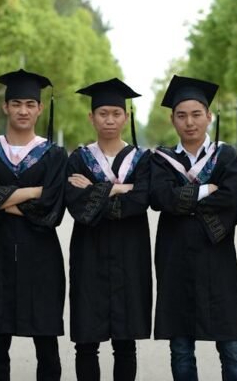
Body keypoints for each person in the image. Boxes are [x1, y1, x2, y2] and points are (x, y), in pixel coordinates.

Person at [0, 69, 67, 381]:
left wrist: (0, 195)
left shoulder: (54, 155)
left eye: (29, 104)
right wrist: (36, 191)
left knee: (46, 345)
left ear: (39, 109)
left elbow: (51, 210)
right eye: (16, 103)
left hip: (40, 259)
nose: (23, 110)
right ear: (5, 107)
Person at [150, 75, 237, 381]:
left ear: (208, 116)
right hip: (174, 258)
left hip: (216, 257)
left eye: (196, 114)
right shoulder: (163, 159)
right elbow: (160, 199)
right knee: (180, 347)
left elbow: (230, 202)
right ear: (172, 119)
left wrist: (183, 201)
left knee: (231, 346)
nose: (189, 122)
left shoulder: (226, 156)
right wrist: (207, 191)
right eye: (182, 115)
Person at [65, 77, 153, 381]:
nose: (110, 120)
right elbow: (77, 207)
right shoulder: (78, 158)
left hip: (131, 255)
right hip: (89, 255)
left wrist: (97, 189)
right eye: (103, 113)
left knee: (125, 344)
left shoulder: (143, 160)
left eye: (116, 114)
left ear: (126, 118)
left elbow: (141, 201)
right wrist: (120, 189)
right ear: (91, 117)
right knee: (85, 343)